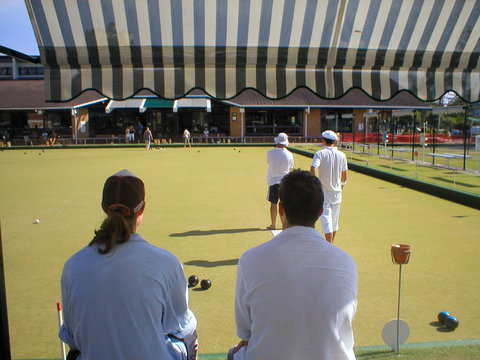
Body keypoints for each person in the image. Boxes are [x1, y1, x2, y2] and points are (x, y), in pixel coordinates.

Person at [59, 170, 198, 360]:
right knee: (190, 335)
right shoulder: (167, 262)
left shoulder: (73, 265)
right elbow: (180, 326)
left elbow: (72, 337)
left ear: (104, 208)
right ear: (141, 209)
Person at [228, 170, 357, 360]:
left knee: (235, 353)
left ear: (281, 210)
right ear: (321, 212)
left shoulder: (249, 259)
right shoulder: (347, 262)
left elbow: (245, 333)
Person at [310, 130, 347, 244]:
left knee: (327, 222)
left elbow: (313, 169)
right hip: (337, 194)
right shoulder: (342, 155)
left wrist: (314, 184)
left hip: (323, 193)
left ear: (324, 140)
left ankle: (329, 245)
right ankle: (331, 244)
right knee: (334, 223)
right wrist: (340, 187)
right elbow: (344, 177)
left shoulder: (320, 153)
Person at [265, 132, 293, 230]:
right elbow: (290, 167)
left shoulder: (270, 152)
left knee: (273, 203)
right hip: (285, 182)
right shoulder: (289, 154)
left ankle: (273, 224)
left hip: (273, 181)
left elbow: (268, 162)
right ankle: (284, 225)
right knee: (284, 204)